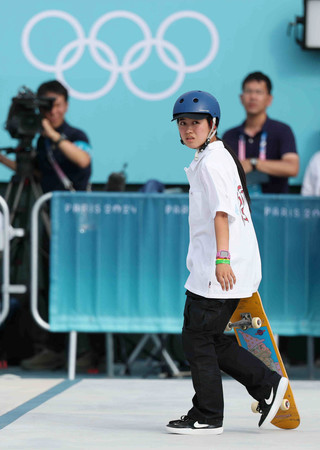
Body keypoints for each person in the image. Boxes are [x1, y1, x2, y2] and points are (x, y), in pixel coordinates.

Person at [166, 90, 288, 435]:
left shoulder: (214, 162)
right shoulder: (214, 157)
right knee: (202, 337)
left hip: (220, 268)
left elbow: (223, 212)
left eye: (196, 123)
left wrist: (222, 259)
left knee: (198, 338)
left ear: (213, 125)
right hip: (216, 266)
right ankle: (263, 385)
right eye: (183, 123)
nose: (189, 129)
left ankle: (210, 415)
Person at [14, 80, 92, 370]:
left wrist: (51, 133)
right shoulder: (40, 140)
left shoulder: (74, 134)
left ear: (66, 105)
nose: (52, 111)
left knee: (75, 282)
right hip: (46, 218)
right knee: (48, 282)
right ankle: (54, 348)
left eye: (57, 105)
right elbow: (34, 171)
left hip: (75, 223)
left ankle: (83, 351)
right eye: (46, 105)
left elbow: (83, 160)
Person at [223, 72, 299, 193]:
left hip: (274, 206)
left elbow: (292, 168)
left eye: (258, 92)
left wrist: (254, 163)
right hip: (238, 207)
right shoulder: (230, 135)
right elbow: (222, 173)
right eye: (248, 91)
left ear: (269, 99)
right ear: (241, 98)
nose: (253, 97)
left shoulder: (282, 130)